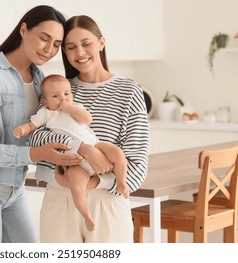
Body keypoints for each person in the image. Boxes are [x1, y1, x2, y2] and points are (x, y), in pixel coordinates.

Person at [0, 5, 84, 243]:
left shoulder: (41, 79)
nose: (49, 49)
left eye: (56, 44)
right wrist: (35, 153)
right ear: (23, 30)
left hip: (15, 187)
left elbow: (46, 127)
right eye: (44, 38)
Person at [29, 15, 149, 243]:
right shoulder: (60, 90)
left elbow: (138, 162)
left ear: (101, 43)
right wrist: (83, 149)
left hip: (107, 201)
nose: (80, 53)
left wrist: (90, 183)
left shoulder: (129, 91)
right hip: (59, 198)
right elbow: (35, 138)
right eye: (71, 47)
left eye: (86, 43)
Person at [13, 74, 129, 231]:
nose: (63, 99)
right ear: (46, 102)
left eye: (66, 94)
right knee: (77, 187)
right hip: (75, 160)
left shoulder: (76, 108)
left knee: (118, 153)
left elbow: (87, 119)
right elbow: (32, 127)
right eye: (56, 96)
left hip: (96, 145)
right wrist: (22, 129)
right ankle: (87, 216)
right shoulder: (46, 113)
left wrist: (70, 108)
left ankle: (121, 183)